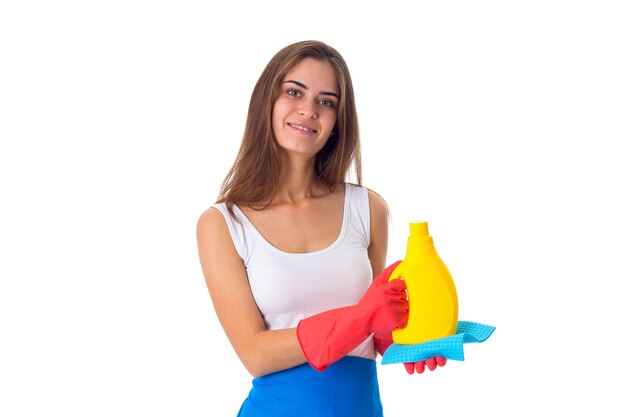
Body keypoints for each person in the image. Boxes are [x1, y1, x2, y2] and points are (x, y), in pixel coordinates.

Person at [196, 40, 446, 417]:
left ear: (337, 122)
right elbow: (255, 353)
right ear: (268, 100)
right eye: (294, 92)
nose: (308, 111)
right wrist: (361, 316)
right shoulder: (224, 224)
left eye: (326, 101)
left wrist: (413, 339)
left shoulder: (367, 209)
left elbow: (374, 335)